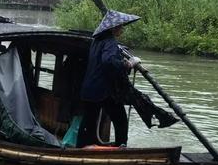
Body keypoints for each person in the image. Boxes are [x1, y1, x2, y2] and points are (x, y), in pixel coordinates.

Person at [76, 9, 177, 147]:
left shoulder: (97, 41)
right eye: (120, 26)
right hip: (104, 91)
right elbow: (108, 61)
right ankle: (121, 147)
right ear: (113, 28)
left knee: (88, 120)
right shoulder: (110, 41)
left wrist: (121, 60)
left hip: (90, 89)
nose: (122, 29)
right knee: (120, 120)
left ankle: (80, 147)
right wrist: (128, 64)